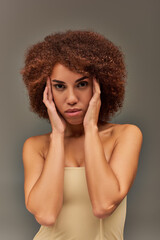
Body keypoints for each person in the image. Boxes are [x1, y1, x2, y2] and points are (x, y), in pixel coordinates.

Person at [21, 29, 143, 240]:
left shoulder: (125, 136)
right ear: (45, 91)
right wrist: (57, 135)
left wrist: (91, 128)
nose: (71, 98)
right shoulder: (36, 147)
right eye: (59, 87)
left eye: (82, 85)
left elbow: (104, 205)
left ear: (100, 86)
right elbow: (46, 215)